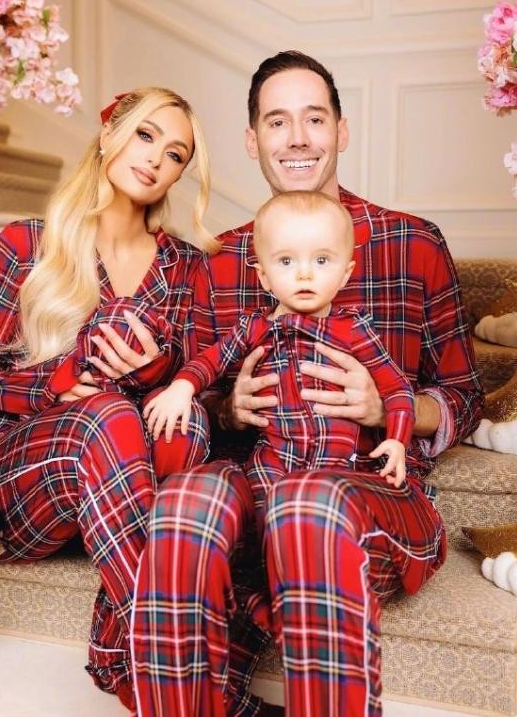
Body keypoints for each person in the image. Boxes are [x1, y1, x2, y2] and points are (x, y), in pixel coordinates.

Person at [130, 52, 484, 717]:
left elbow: (464, 396)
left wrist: (389, 409)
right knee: (184, 500)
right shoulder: (221, 261)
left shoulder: (412, 244)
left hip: (366, 492)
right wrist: (227, 409)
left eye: (314, 119)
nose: (296, 138)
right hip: (259, 480)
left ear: (341, 131)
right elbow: (195, 394)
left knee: (307, 503)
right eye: (277, 122)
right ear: (252, 140)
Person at [0, 87, 218, 709]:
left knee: (187, 424)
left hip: (119, 497)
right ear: (110, 133)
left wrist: (157, 370)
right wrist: (57, 381)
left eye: (175, 154)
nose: (155, 159)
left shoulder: (183, 267)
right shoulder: (29, 242)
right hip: (16, 484)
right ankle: (180, 671)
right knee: (104, 412)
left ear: (180, 174)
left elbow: (199, 383)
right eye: (145, 135)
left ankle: (129, 654)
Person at [144, 190, 414, 532]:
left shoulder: (354, 329)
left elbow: (398, 390)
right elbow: (210, 361)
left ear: (345, 274)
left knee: (328, 516)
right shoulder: (254, 327)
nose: (304, 274)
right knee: (260, 515)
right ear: (264, 277)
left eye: (321, 260)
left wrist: (397, 439)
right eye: (286, 261)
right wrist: (181, 388)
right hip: (273, 459)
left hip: (337, 464)